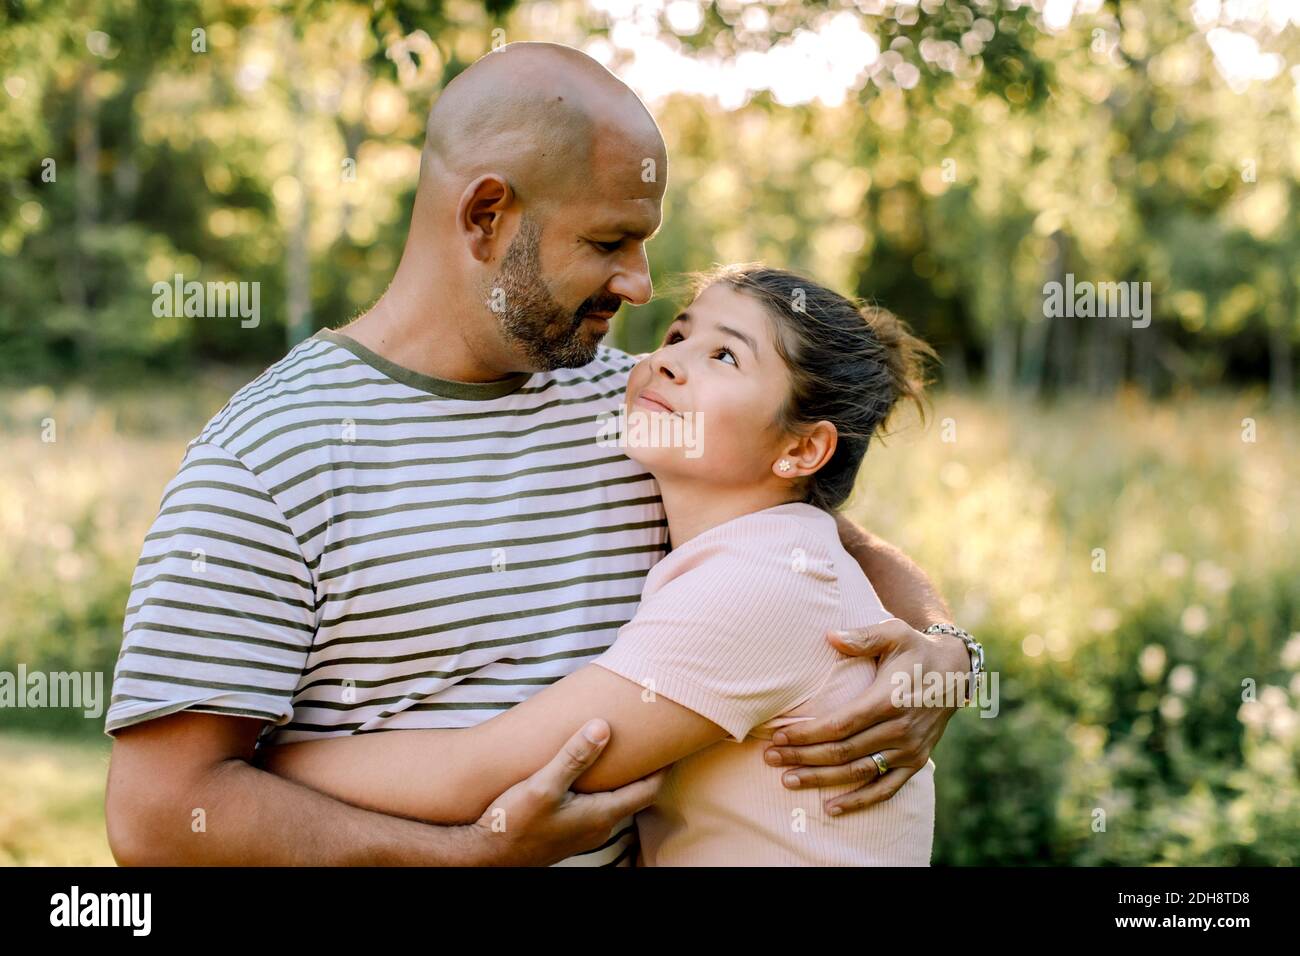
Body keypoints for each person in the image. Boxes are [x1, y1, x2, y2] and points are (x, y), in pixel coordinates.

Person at [104, 42, 971, 867]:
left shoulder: (635, 403)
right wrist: (465, 858)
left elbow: (818, 538)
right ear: (487, 216)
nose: (638, 284)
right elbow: (160, 817)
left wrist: (938, 652)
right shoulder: (269, 460)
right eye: (607, 242)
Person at [264, 264, 940, 866]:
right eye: (678, 336)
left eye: (726, 357)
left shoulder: (761, 585)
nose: (668, 363)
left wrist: (258, 769)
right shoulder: (766, 547)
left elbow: (482, 773)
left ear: (801, 451)